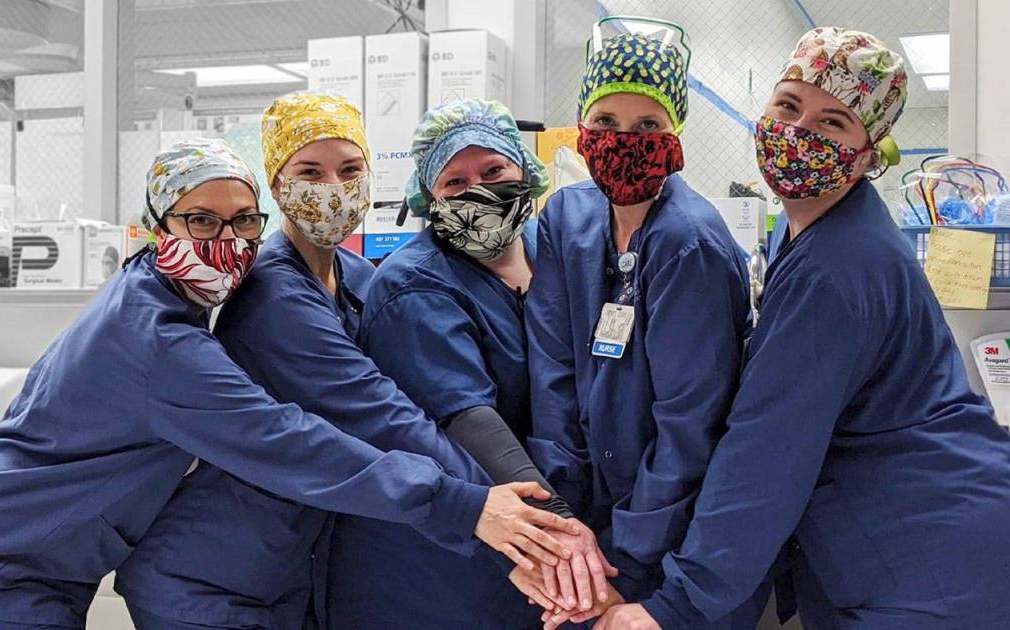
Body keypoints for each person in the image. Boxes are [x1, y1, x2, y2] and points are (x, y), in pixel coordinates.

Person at [0, 138, 562, 630]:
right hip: (15, 560)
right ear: (159, 226)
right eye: (201, 220)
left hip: (58, 559)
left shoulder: (166, 290)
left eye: (243, 221)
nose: (227, 240)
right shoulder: (162, 342)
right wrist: (467, 505)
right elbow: (289, 438)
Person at [573, 27, 1010, 629]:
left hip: (928, 554)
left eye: (833, 121)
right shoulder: (806, 224)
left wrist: (676, 604)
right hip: (907, 531)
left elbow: (767, 452)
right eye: (788, 105)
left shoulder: (834, 269)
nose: (799, 132)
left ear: (868, 153)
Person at [325, 97, 615, 629]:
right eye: (454, 182)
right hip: (447, 572)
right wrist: (558, 533)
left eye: (493, 171)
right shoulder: (414, 283)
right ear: (427, 197)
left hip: (532, 547)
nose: (478, 191)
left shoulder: (550, 251)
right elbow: (469, 422)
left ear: (524, 170)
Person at [527, 21, 770, 629]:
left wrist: (626, 560)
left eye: (647, 126)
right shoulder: (566, 218)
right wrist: (564, 520)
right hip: (586, 523)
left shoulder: (690, 244)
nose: (623, 140)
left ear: (675, 132)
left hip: (670, 535)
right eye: (606, 121)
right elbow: (552, 371)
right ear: (581, 124)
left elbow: (689, 424)